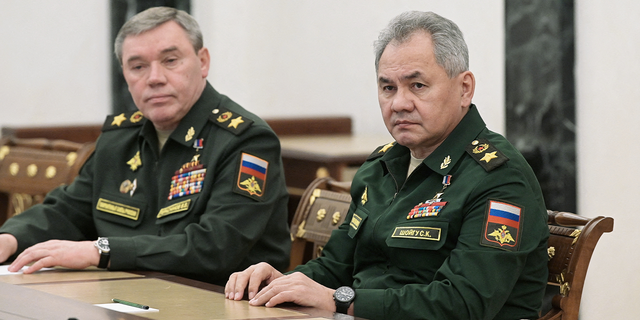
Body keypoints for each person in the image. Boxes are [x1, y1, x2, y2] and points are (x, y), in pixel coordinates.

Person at [225, 11, 549, 320]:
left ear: (464, 88)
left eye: (417, 86)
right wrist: (281, 282)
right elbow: (337, 266)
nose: (399, 103)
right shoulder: (381, 166)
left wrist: (340, 300)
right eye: (388, 87)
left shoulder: (499, 178)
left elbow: (463, 304)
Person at [0, 7, 291, 286]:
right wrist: (10, 237)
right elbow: (69, 210)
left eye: (170, 61)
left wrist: (100, 251)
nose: (154, 78)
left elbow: (215, 248)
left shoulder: (245, 141)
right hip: (124, 294)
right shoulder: (120, 138)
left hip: (218, 301)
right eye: (138, 66)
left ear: (203, 62)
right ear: (125, 75)